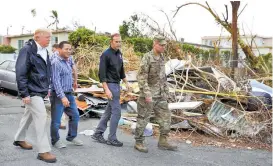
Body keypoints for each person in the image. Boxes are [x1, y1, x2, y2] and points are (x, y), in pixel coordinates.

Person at [13, 28, 57, 163]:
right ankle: (43, 151)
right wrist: (24, 93)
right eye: (47, 37)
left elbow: (46, 72)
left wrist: (47, 88)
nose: (50, 40)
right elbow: (21, 72)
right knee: (41, 116)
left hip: (40, 90)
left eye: (50, 38)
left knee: (29, 115)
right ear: (37, 37)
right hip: (31, 90)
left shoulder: (45, 51)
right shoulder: (27, 50)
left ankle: (19, 139)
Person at [134, 35, 178, 153]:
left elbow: (163, 77)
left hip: (160, 95)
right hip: (148, 95)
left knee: (166, 117)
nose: (164, 47)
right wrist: (147, 94)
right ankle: (139, 142)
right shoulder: (147, 57)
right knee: (143, 119)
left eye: (165, 45)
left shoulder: (162, 57)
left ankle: (163, 141)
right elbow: (141, 77)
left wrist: (167, 93)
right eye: (161, 45)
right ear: (155, 44)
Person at [92, 33, 129, 147]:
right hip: (110, 85)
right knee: (116, 112)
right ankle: (112, 138)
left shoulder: (119, 54)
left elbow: (121, 70)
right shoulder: (106, 54)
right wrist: (106, 89)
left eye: (120, 42)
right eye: (116, 42)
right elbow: (102, 74)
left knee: (109, 111)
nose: (118, 44)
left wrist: (126, 82)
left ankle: (98, 133)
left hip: (116, 84)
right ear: (111, 42)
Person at [50, 41, 83, 148]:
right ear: (59, 49)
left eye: (70, 49)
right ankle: (55, 140)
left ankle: (71, 137)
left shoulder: (68, 60)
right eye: (66, 49)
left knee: (75, 115)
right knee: (56, 120)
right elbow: (56, 81)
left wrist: (75, 81)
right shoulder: (56, 62)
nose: (69, 51)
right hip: (58, 95)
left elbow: (72, 71)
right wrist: (62, 96)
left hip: (69, 93)